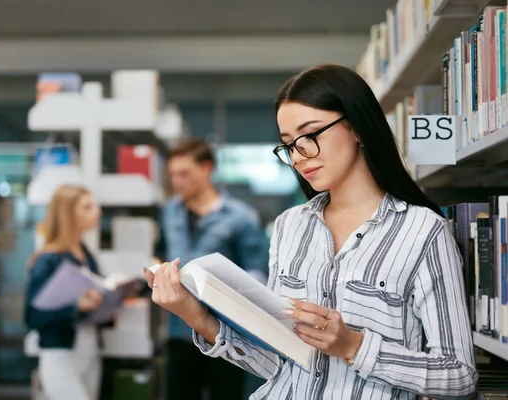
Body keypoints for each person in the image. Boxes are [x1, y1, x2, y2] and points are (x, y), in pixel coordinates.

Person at [144, 64, 478, 399]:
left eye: (311, 135)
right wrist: (196, 316)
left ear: (357, 127)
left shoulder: (423, 231)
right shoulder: (291, 225)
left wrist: (354, 346)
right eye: (288, 144)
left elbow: (459, 374)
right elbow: (276, 363)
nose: (299, 156)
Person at [154, 138, 270, 400]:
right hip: (179, 330)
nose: (177, 181)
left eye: (184, 173)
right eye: (172, 174)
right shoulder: (170, 211)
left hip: (225, 334)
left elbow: (256, 272)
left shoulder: (241, 217)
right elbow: (161, 250)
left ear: (207, 169)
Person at [24, 184, 104, 400]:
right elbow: (32, 317)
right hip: (60, 356)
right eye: (87, 207)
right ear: (70, 214)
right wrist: (75, 308)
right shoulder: (47, 261)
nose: (97, 212)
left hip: (89, 351)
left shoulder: (86, 255)